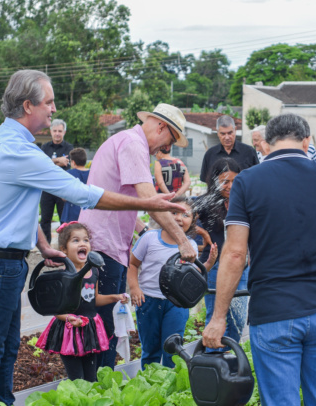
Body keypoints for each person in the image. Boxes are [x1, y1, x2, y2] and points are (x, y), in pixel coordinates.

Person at [0, 69, 186, 406]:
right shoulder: (17, 150)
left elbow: (11, 206)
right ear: (28, 105)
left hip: (3, 262)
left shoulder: (12, 144)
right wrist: (147, 202)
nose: (54, 110)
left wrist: (41, 244)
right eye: (49, 102)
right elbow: (80, 193)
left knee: (6, 347)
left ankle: (2, 402)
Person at [202, 114, 316, 406]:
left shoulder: (248, 181)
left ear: (266, 145)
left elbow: (234, 253)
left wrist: (218, 318)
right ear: (306, 141)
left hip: (275, 310)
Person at [79, 102, 196, 371]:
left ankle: (97, 386)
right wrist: (182, 240)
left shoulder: (127, 141)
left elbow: (124, 200)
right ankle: (99, 390)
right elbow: (148, 198)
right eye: (169, 141)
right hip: (104, 248)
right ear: (161, 127)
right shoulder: (134, 144)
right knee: (105, 326)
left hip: (107, 244)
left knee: (105, 322)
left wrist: (143, 228)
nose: (166, 149)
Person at [128, 197, 217, 368]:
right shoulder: (149, 238)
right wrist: (134, 288)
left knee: (173, 348)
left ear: (193, 220)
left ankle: (169, 386)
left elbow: (191, 277)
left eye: (185, 215)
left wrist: (209, 264)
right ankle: (150, 384)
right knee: (150, 350)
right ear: (163, 216)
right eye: (174, 213)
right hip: (148, 301)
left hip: (176, 304)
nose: (178, 218)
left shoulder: (189, 245)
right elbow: (133, 264)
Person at [36, 222, 127, 382]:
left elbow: (95, 299)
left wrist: (115, 297)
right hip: (70, 331)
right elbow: (57, 310)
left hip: (90, 330)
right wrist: (69, 318)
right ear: (63, 249)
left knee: (91, 377)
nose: (82, 243)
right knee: (77, 379)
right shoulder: (62, 276)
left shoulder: (94, 272)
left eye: (86, 240)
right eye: (76, 241)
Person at [195, 158, 249, 345]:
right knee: (216, 314)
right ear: (215, 180)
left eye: (235, 181)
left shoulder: (245, 202)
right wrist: (201, 233)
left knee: (239, 317)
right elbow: (182, 221)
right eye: (225, 181)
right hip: (215, 265)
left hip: (241, 266)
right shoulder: (206, 203)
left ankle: (230, 354)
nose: (230, 186)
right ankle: (214, 359)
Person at [39, 119, 74, 244]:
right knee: (45, 220)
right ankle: (46, 247)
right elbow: (41, 164)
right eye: (55, 131)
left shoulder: (69, 147)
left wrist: (50, 162)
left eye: (60, 131)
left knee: (64, 220)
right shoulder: (45, 147)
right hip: (47, 189)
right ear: (51, 132)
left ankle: (65, 247)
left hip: (62, 190)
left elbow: (67, 163)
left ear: (64, 132)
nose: (57, 133)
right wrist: (59, 160)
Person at [200, 115, 258, 183]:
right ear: (217, 132)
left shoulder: (249, 152)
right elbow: (205, 179)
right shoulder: (210, 154)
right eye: (223, 134)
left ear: (235, 130)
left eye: (230, 133)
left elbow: (257, 177)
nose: (227, 137)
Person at [60, 148, 90, 223]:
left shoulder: (68, 174)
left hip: (71, 213)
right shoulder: (92, 173)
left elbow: (64, 197)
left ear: (73, 162)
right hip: (88, 212)